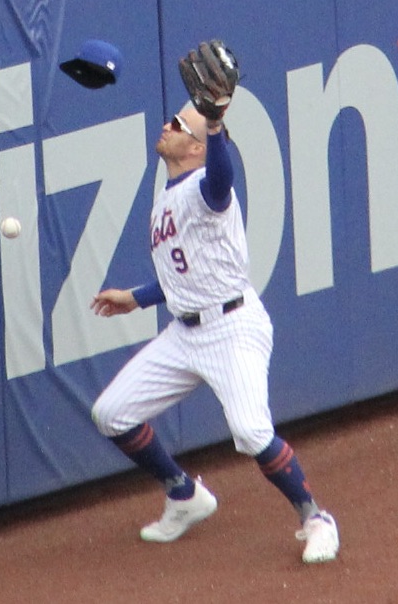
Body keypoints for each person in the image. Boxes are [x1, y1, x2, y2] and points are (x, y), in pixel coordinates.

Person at [90, 106, 340, 563]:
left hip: (232, 327)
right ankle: (183, 495)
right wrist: (136, 297)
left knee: (249, 430)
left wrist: (218, 125)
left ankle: (315, 519)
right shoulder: (164, 198)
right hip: (184, 333)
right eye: (172, 121)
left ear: (197, 147)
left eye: (180, 127)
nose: (167, 127)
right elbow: (186, 276)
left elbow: (222, 180)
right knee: (111, 413)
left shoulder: (206, 186)